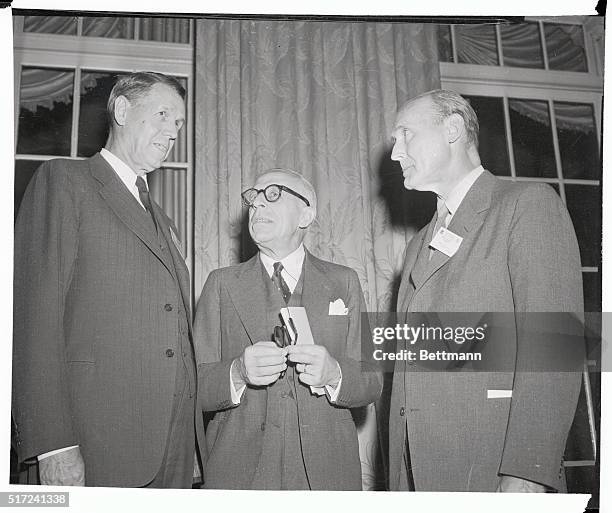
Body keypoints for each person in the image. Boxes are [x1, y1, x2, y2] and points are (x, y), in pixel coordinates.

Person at [387, 89, 584, 492]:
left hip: (493, 469)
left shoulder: (526, 205)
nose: (395, 153)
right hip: (417, 473)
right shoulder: (418, 243)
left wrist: (528, 474)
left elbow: (556, 346)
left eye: (406, 135)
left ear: (454, 129)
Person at [12, 72, 200, 488]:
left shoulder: (163, 219)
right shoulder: (65, 181)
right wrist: (53, 445)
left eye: (179, 123)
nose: (172, 131)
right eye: (164, 115)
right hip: (98, 442)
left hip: (172, 447)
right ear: (121, 110)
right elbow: (34, 320)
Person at [194, 169, 382, 490]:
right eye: (253, 198)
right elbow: (192, 386)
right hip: (239, 476)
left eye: (273, 194)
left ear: (306, 214)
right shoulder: (221, 284)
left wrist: (335, 374)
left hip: (326, 476)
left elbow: (371, 380)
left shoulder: (344, 281)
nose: (256, 206)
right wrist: (237, 372)